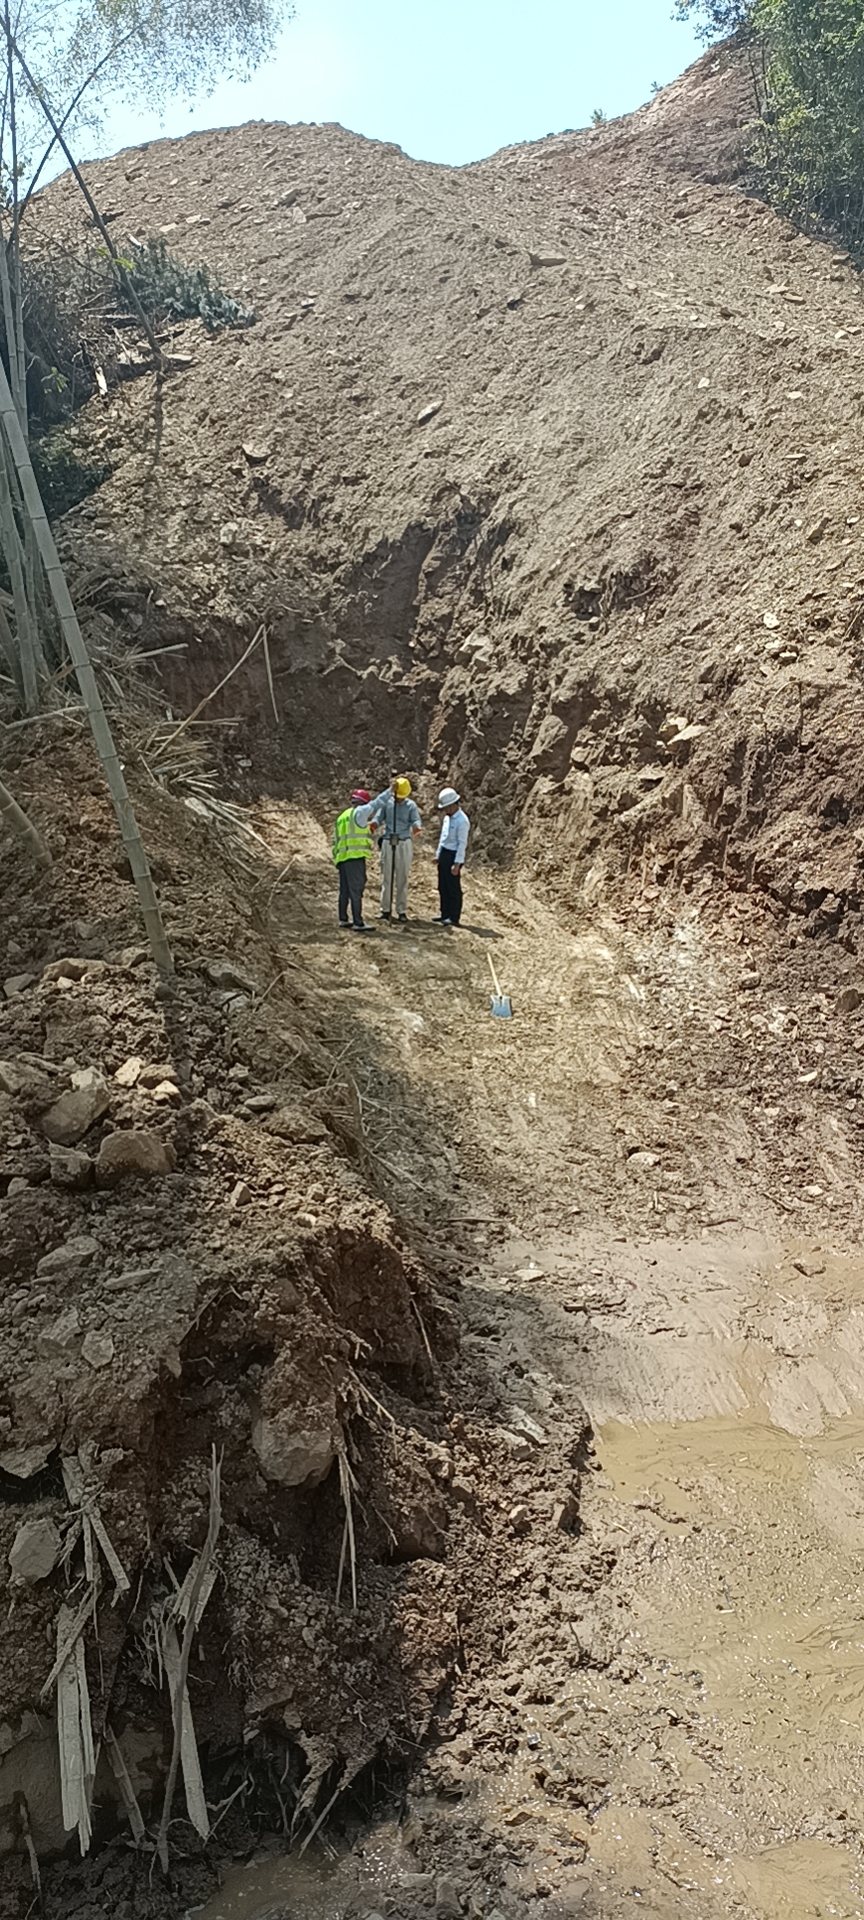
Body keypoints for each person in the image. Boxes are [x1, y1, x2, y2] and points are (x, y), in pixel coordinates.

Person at [369, 776, 422, 921]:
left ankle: (401, 910)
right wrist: (374, 824)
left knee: (402, 878)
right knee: (386, 877)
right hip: (388, 841)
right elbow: (379, 817)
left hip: (403, 842)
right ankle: (385, 909)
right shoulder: (387, 803)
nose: (400, 799)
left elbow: (416, 819)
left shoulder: (411, 805)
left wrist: (417, 827)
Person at [332, 788, 377, 931]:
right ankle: (358, 922)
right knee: (356, 889)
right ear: (363, 804)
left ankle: (343, 919)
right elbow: (377, 803)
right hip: (355, 857)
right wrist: (391, 790)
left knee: (344, 890)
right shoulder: (360, 812)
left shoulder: (342, 817)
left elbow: (337, 839)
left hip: (343, 858)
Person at [435, 786, 470, 926]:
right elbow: (443, 838)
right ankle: (445, 913)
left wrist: (457, 863)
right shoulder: (447, 818)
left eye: (447, 807)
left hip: (453, 856)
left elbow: (462, 844)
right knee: (442, 886)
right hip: (444, 853)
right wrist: (438, 854)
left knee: (453, 887)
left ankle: (454, 917)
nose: (445, 810)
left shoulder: (462, 821)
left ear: (454, 804)